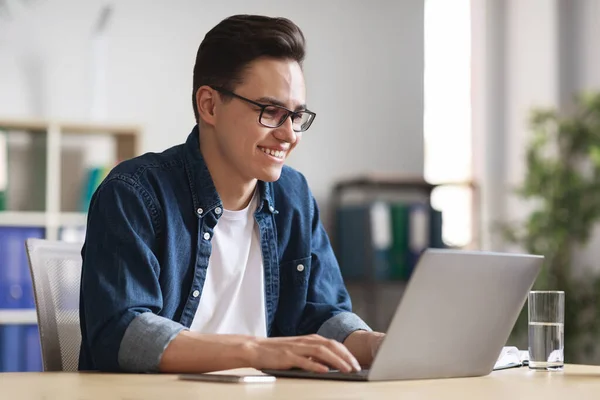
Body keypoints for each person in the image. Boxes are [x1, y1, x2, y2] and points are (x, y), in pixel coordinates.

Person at [78, 14, 384, 374]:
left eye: (297, 116)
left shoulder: (294, 196)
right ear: (209, 105)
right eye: (271, 112)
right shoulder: (134, 194)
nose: (288, 135)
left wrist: (380, 345)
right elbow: (121, 333)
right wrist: (255, 351)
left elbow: (322, 315)